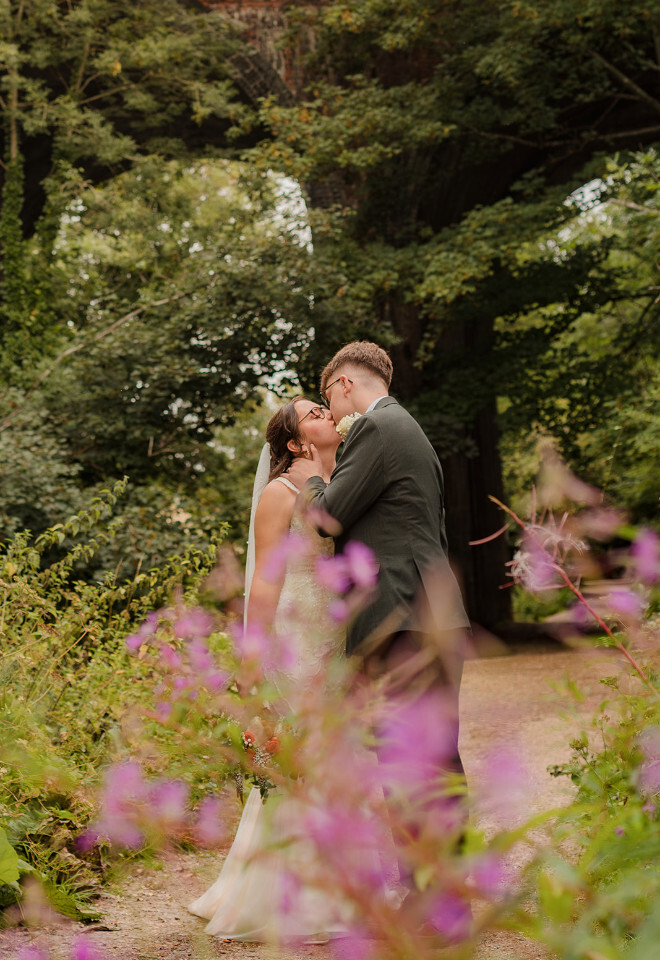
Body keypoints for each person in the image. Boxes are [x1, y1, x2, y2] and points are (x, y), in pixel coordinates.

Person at [287, 342, 470, 895]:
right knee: (434, 760)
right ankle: (445, 900)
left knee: (412, 763)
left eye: (328, 398)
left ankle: (432, 904)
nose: (333, 413)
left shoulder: (375, 428)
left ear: (345, 384)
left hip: (401, 616)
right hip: (430, 611)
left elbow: (330, 515)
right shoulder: (413, 432)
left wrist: (315, 472)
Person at [188, 396, 350, 943]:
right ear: (294, 442)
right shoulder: (279, 495)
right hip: (297, 642)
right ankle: (287, 899)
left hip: (337, 641)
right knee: (297, 763)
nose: (326, 414)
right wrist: (254, 659)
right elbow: (263, 581)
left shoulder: (342, 485)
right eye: (312, 414)